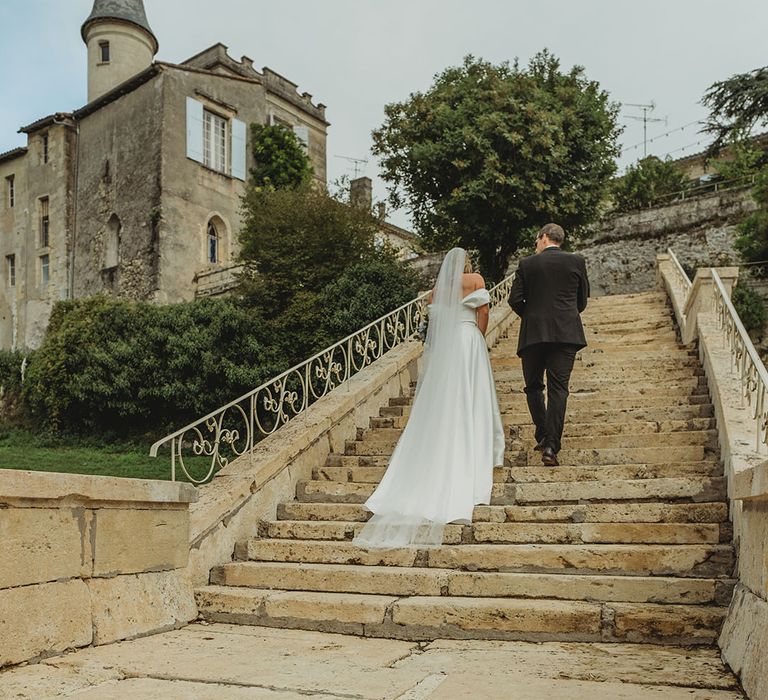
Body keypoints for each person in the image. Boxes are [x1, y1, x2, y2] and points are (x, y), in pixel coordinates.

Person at [353, 248, 505, 549]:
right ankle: (474, 450)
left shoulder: (438, 290)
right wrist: (479, 336)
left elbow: (434, 321)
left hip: (447, 348)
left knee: (448, 399)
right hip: (468, 339)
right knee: (473, 396)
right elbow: (483, 312)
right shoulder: (475, 279)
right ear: (467, 264)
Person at [508, 223, 589, 467]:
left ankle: (543, 433)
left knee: (533, 387)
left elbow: (514, 300)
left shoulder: (527, 264)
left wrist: (531, 315)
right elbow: (582, 301)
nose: (536, 244)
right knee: (558, 389)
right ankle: (552, 446)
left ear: (543, 238)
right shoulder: (577, 262)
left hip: (533, 335)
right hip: (566, 334)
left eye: (536, 240)